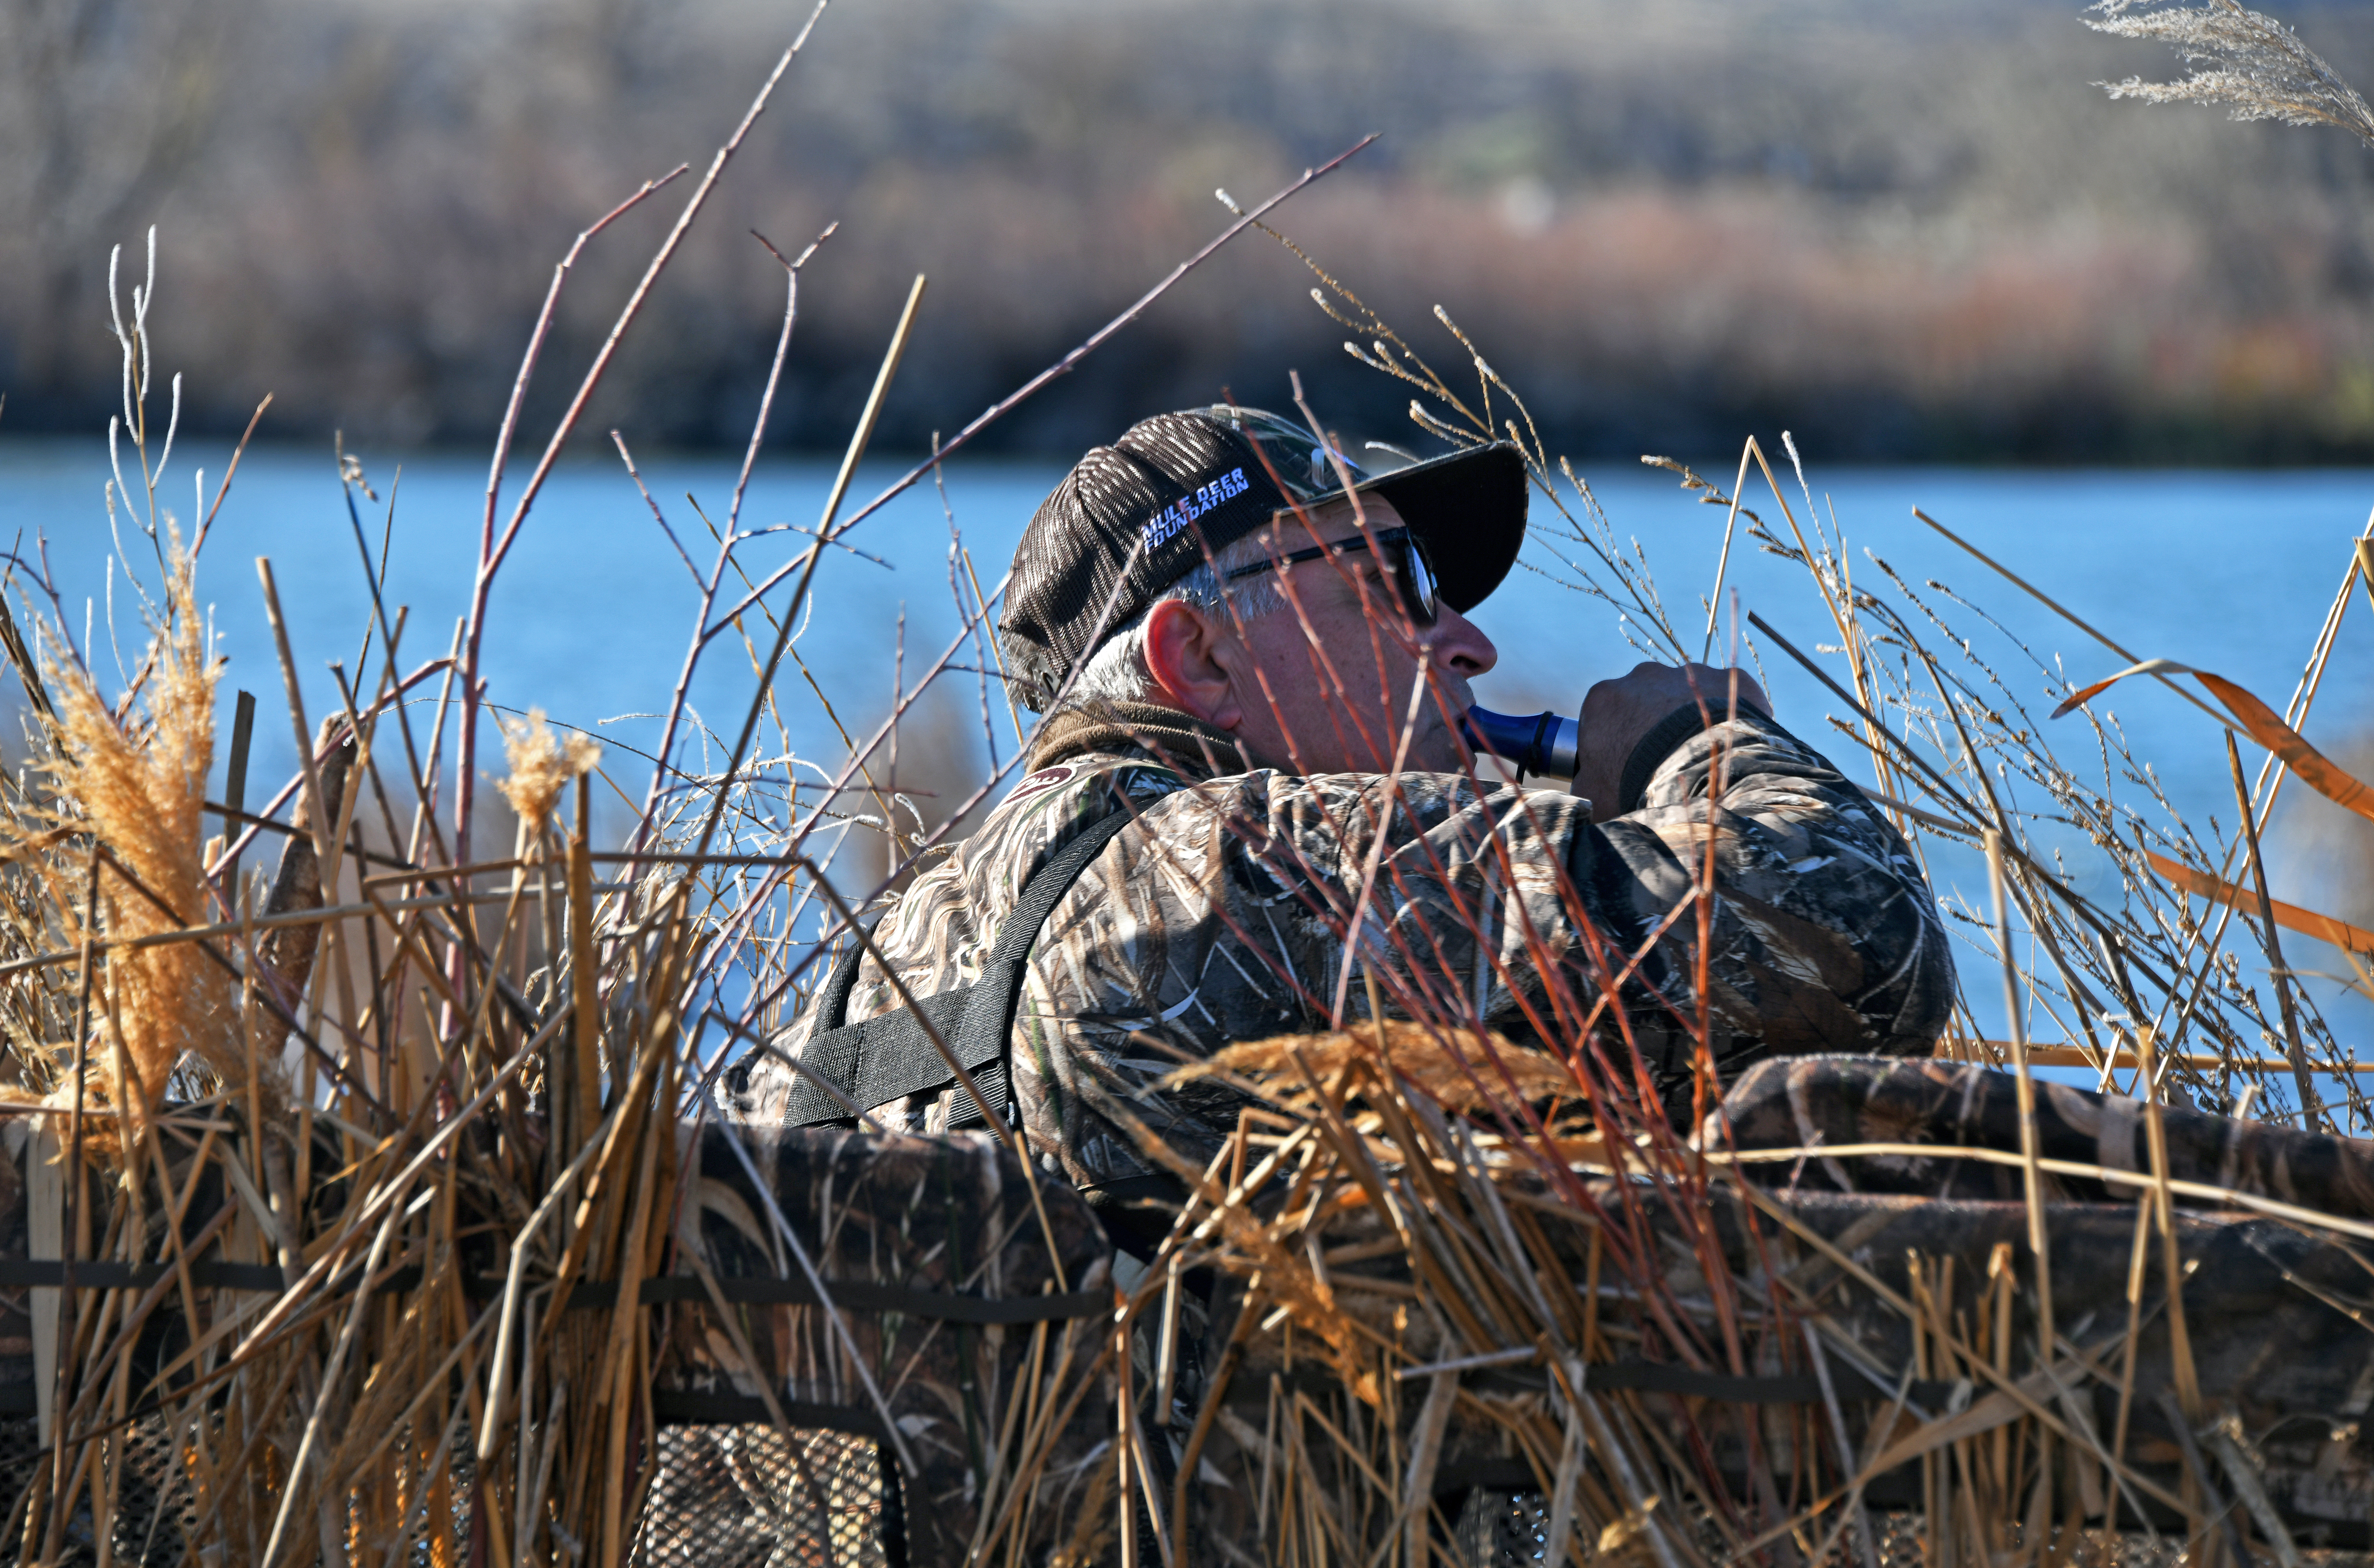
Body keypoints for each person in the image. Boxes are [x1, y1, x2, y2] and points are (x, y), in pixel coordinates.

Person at [732, 404, 1958, 1258]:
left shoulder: (867, 974)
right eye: (1391, 582)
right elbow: (1855, 934)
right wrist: (1689, 748)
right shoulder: (1244, 866)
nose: (1468, 643)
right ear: (1195, 654)